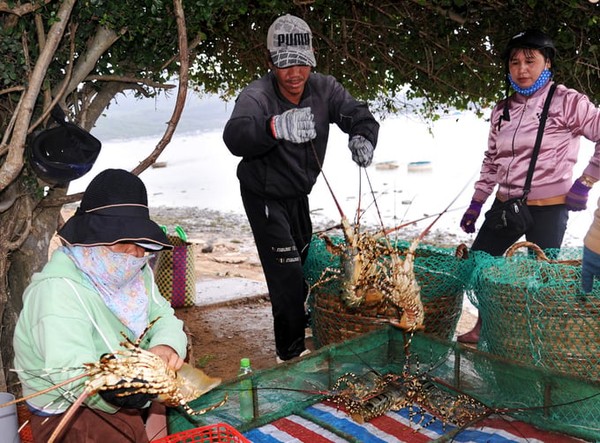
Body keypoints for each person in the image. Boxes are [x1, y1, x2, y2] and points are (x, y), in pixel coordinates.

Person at [223, 14, 380, 363]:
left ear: (312, 58)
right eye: (284, 65)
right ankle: (289, 354)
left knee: (307, 265)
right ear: (269, 63)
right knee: (287, 275)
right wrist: (275, 126)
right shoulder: (256, 95)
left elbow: (358, 113)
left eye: (302, 64)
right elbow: (235, 135)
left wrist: (362, 136)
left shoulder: (325, 88)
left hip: (298, 194)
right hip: (263, 195)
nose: (294, 74)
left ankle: (303, 326)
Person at [13, 168, 188, 442]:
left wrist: (165, 347)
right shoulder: (56, 291)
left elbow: (164, 316)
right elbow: (73, 377)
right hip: (69, 410)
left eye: (139, 241)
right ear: (91, 238)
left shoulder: (133, 271)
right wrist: (120, 389)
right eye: (122, 241)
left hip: (124, 384)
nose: (135, 252)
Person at [458, 29, 600, 343]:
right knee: (481, 268)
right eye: (515, 62)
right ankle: (485, 326)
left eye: (530, 61)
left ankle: (534, 339)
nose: (522, 69)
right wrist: (476, 203)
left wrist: (586, 180)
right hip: (507, 206)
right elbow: (491, 160)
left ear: (547, 63)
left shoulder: (568, 101)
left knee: (542, 279)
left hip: (550, 208)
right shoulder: (501, 110)